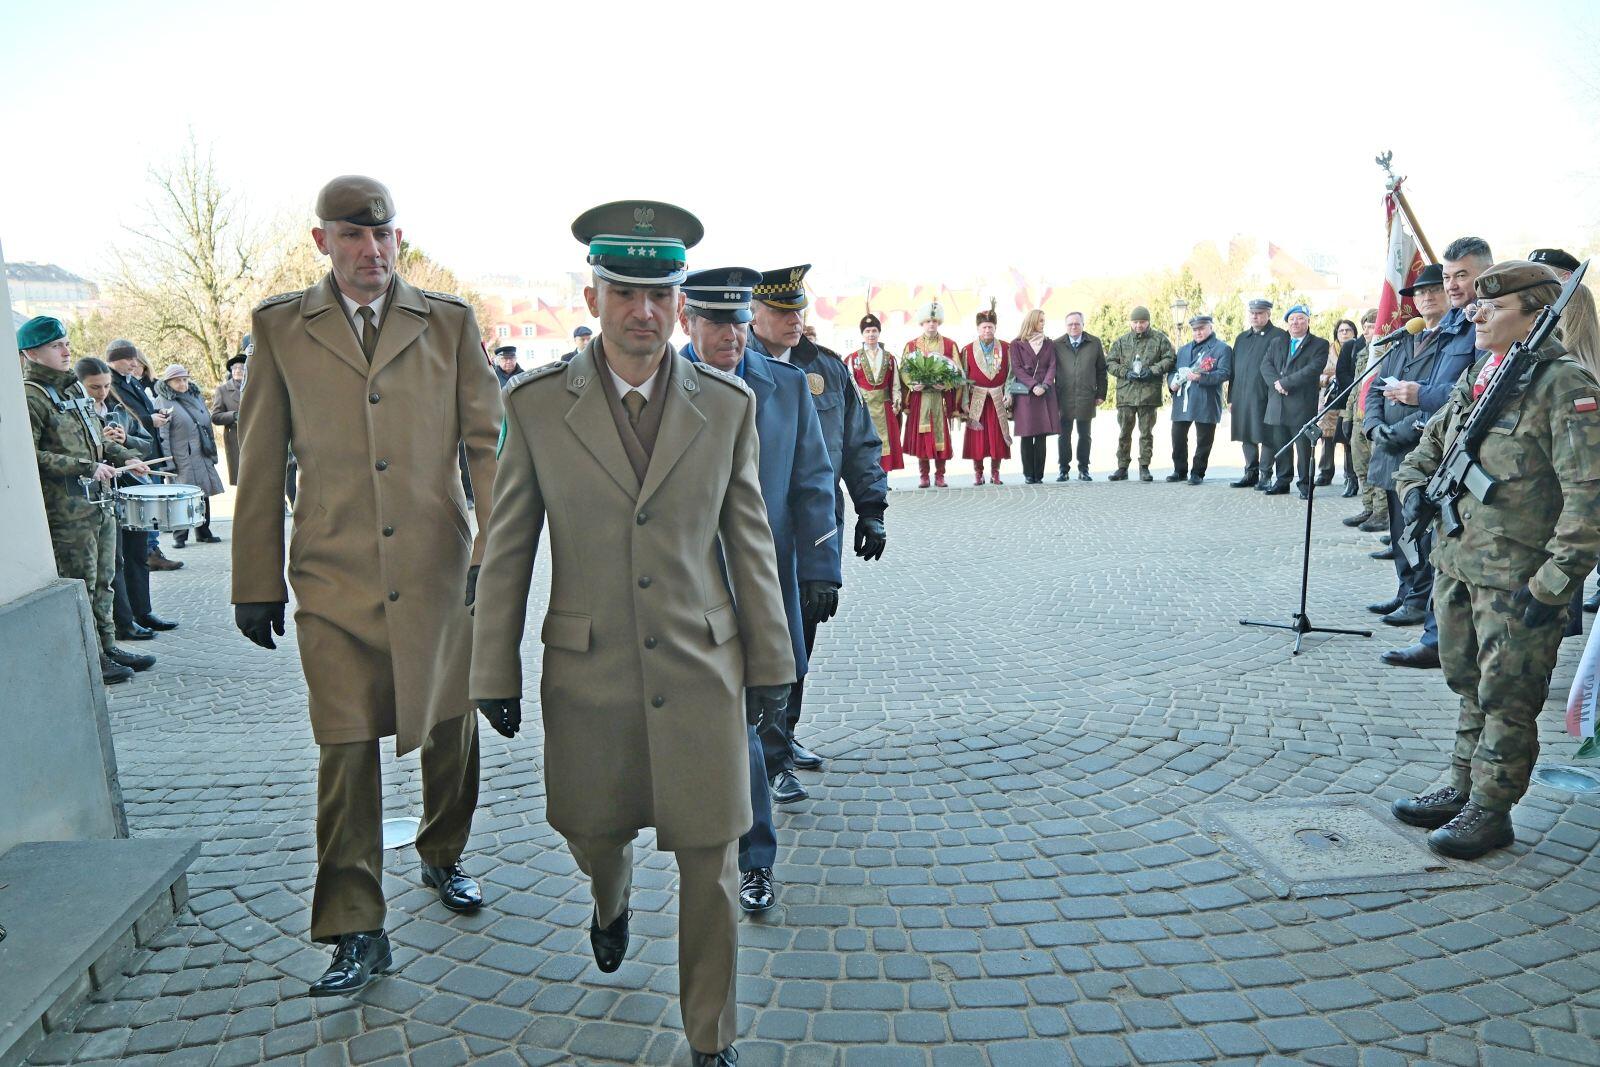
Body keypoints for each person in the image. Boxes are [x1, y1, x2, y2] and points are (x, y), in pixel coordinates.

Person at [471, 202, 795, 1067]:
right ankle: (608, 901)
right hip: (590, 674)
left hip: (702, 667)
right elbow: (507, 545)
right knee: (593, 832)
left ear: (679, 303)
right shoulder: (537, 406)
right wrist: (490, 668)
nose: (643, 311)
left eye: (659, 294)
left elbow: (750, 541)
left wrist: (772, 662)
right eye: (624, 292)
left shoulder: (725, 406)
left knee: (711, 859)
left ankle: (710, 1038)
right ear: (593, 297)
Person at [231, 175, 501, 997]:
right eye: (352, 235)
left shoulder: (447, 323)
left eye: (382, 235)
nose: (371, 250)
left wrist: (495, 548)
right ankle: (355, 925)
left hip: (438, 570)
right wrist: (253, 579)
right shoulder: (282, 327)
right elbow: (259, 457)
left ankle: (443, 850)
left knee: (449, 725)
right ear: (323, 242)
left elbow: (487, 443)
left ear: (397, 240)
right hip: (333, 575)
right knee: (344, 747)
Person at [1391, 260, 1600, 859]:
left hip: (1517, 576)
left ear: (1536, 316)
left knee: (1507, 695)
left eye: (1494, 307)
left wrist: (1555, 582)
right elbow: (1433, 443)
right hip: (1459, 562)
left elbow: (1589, 495)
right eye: (1477, 305)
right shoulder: (1486, 373)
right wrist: (1414, 487)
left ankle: (1491, 808)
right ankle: (1463, 784)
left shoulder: (1565, 385)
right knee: (1468, 683)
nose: (1476, 314)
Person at [678, 266, 840, 916]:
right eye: (718, 322)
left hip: (759, 585)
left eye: (740, 321)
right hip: (679, 590)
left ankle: (755, 860)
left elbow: (813, 478)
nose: (733, 335)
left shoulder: (787, 385)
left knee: (746, 723)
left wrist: (821, 564)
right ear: (688, 320)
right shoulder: (657, 385)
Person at [749, 264, 887, 797]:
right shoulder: (734, 365)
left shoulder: (826, 368)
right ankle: (767, 756)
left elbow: (859, 441)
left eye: (798, 310)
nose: (794, 320)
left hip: (816, 530)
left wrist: (872, 508)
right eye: (781, 311)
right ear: (753, 312)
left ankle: (784, 736)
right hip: (758, 530)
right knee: (766, 639)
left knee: (802, 635)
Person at [19, 317, 154, 684]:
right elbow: (29, 455)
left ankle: (107, 646)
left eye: (65, 342)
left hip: (99, 504)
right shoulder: (30, 396)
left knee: (105, 581)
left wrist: (127, 457)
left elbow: (98, 440)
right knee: (83, 584)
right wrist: (87, 467)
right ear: (31, 353)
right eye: (55, 345)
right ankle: (90, 656)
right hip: (68, 512)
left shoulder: (73, 390)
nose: (66, 350)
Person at [1381, 238, 1491, 667]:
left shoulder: (1488, 322)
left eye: (1462, 275)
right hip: (1444, 448)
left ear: (1485, 274)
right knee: (1441, 550)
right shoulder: (1452, 325)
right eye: (1448, 276)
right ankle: (1438, 638)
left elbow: (1481, 389)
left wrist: (1422, 395)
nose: (1452, 285)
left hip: (1477, 453)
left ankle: (1451, 642)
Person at [75, 357, 177, 642]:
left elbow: (146, 444)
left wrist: (125, 441)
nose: (102, 392)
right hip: (103, 495)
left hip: (132, 490)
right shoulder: (79, 414)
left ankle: (144, 613)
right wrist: (103, 443)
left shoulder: (119, 409)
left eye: (107, 386)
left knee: (138, 554)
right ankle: (125, 621)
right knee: (115, 560)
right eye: (95, 387)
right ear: (81, 386)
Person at [104, 340, 182, 573]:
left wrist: (156, 414)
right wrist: (150, 420)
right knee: (145, 509)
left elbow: (141, 412)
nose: (134, 363)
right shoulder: (110, 384)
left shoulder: (131, 381)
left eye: (135, 358)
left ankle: (152, 550)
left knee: (152, 507)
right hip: (132, 454)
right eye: (129, 359)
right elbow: (122, 420)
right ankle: (148, 553)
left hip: (146, 448)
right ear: (114, 359)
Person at [1261, 304, 1328, 497]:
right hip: (1278, 403)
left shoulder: (1319, 344)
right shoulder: (1277, 342)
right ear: (1287, 322)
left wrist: (1286, 383)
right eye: (1292, 319)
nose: (1295, 322)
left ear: (1308, 321)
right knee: (1281, 445)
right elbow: (1265, 365)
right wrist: (1277, 384)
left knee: (1304, 448)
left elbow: (1313, 369)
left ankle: (1306, 485)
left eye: (1300, 318)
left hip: (1301, 404)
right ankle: (1282, 481)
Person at [155, 364, 225, 547]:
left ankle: (204, 531)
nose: (182, 384)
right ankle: (180, 535)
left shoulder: (196, 396)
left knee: (203, 493)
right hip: (181, 457)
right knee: (181, 497)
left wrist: (212, 452)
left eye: (185, 379)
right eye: (177, 380)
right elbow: (162, 435)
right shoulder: (163, 401)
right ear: (168, 382)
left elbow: (207, 426)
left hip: (201, 452)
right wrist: (168, 462)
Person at [1105, 306, 1174, 482]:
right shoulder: (1122, 341)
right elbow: (1110, 362)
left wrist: (1153, 370)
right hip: (1126, 395)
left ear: (1148, 322)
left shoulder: (1159, 339)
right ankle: (1122, 467)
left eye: (1142, 322)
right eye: (1135, 322)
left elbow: (1170, 358)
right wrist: (1124, 372)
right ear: (1131, 322)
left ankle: (1144, 467)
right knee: (1124, 433)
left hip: (1148, 395)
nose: (1138, 325)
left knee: (1146, 434)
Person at [898, 299, 961, 487]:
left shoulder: (949, 345)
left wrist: (947, 384)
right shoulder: (911, 346)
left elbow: (958, 371)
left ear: (938, 322)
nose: (931, 324)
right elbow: (903, 371)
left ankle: (940, 475)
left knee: (940, 436)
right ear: (922, 323)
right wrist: (912, 384)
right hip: (920, 398)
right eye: (927, 321)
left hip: (940, 399)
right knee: (923, 436)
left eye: (934, 321)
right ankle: (923, 475)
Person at [1228, 299, 1286, 488]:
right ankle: (1250, 473)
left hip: (1267, 396)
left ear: (1268, 314)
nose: (1255, 316)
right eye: (1252, 313)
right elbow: (1233, 371)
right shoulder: (1241, 338)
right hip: (1241, 395)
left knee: (1267, 435)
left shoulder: (1279, 336)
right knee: (1246, 433)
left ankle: (1265, 475)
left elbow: (1281, 367)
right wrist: (1230, 397)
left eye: (1259, 313)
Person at [1167, 314, 1232, 484]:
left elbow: (1224, 373)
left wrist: (1201, 377)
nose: (1198, 332)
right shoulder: (1183, 349)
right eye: (1195, 329)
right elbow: (1173, 371)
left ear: (1210, 327)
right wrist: (1171, 383)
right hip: (1183, 399)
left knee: (1204, 439)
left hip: (1206, 399)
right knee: (1177, 436)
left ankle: (1197, 472)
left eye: (1201, 329)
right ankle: (1179, 470)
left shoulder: (1221, 348)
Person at [1342, 311, 1389, 530]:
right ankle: (1368, 507)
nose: (1368, 331)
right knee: (1361, 466)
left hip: (1375, 417)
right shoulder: (1363, 353)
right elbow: (1356, 388)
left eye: (1372, 326)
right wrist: (1348, 416)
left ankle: (1382, 512)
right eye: (1366, 327)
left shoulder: (1386, 353)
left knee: (1377, 467)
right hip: (1358, 417)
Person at [958, 301, 1015, 484]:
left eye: (990, 327)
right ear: (978, 328)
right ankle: (978, 472)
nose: (987, 330)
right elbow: (963, 378)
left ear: (995, 327)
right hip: (977, 398)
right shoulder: (968, 350)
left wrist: (1009, 393)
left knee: (997, 436)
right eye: (984, 327)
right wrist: (964, 401)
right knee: (978, 438)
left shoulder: (1006, 348)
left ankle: (995, 472)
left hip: (998, 397)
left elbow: (1011, 374)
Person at [845, 309, 904, 472]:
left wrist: (896, 402)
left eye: (874, 331)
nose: (871, 334)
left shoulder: (889, 358)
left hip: (884, 408)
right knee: (864, 445)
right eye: (867, 331)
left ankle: (884, 477)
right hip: (863, 410)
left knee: (885, 445)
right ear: (862, 334)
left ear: (879, 333)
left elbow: (895, 384)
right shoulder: (853, 359)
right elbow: (849, 387)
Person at [1053, 311, 1106, 481]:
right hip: (1064, 397)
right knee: (1063, 435)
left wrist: (1101, 394)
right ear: (1066, 326)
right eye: (1070, 324)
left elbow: (1101, 370)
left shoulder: (1094, 343)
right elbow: (1050, 371)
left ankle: (1084, 469)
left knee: (1085, 435)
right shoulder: (1057, 344)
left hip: (1086, 396)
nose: (1074, 327)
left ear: (1083, 324)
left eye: (1077, 323)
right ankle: (1063, 469)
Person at [1007, 308, 1057, 484]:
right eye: (1041, 320)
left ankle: (1039, 474)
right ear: (1032, 321)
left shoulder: (1049, 343)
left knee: (1041, 435)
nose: (1043, 323)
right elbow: (1017, 368)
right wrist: (1033, 385)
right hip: (1026, 394)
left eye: (1044, 320)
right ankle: (1028, 474)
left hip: (1044, 393)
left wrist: (1045, 385)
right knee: (1027, 434)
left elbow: (1052, 365)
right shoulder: (1016, 344)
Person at [1317, 318, 1358, 493]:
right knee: (1326, 436)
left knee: (1347, 437)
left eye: (1348, 330)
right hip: (1329, 398)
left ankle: (1351, 475)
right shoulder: (1327, 351)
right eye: (1341, 330)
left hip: (1349, 398)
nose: (1344, 333)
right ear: (1336, 333)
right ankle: (1325, 472)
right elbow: (1316, 374)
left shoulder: (1359, 348)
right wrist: (1328, 378)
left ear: (1354, 333)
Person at [210, 346, 248, 485]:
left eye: (242, 368)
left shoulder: (256, 387)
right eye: (235, 368)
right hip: (235, 438)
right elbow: (215, 417)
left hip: (255, 437)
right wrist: (234, 416)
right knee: (242, 478)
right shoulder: (222, 390)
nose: (237, 371)